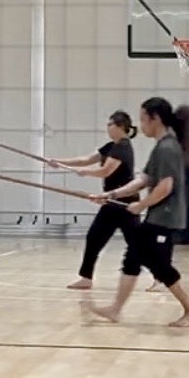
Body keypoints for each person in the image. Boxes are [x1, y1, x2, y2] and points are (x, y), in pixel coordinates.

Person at [86, 97, 189, 329]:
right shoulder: (161, 146)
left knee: (160, 266)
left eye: (142, 119)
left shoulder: (168, 148)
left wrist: (140, 205)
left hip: (165, 217)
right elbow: (145, 179)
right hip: (158, 216)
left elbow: (165, 186)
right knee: (133, 256)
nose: (141, 124)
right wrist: (112, 195)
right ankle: (115, 309)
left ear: (154, 118)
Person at [49, 111, 141, 290]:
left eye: (110, 124)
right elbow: (86, 159)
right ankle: (86, 278)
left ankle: (159, 276)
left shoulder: (122, 147)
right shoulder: (110, 146)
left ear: (121, 126)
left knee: (137, 243)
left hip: (124, 203)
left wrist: (85, 173)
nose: (108, 127)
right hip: (110, 203)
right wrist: (59, 163)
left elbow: (106, 171)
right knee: (94, 238)